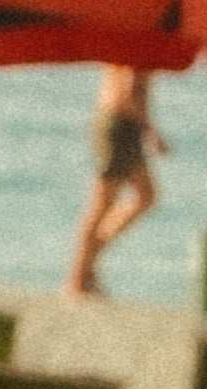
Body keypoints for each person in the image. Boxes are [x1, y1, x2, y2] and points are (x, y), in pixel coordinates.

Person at [67, 64, 164, 295]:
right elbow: (130, 89)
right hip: (121, 124)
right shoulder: (138, 47)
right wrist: (151, 132)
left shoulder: (130, 44)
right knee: (103, 203)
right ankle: (79, 277)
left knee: (145, 195)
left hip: (122, 124)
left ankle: (87, 265)